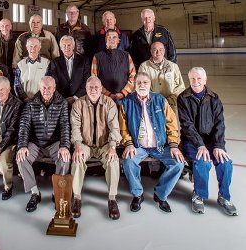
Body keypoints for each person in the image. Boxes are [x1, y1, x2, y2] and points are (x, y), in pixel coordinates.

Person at [119, 72, 184, 213]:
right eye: (139, 83)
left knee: (178, 163)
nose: (142, 85)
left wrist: (173, 145)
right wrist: (129, 143)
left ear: (150, 85)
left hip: (160, 145)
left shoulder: (160, 100)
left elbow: (172, 124)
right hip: (139, 146)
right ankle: (138, 194)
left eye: (145, 82)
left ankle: (160, 195)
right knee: (128, 162)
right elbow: (123, 128)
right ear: (134, 85)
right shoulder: (126, 102)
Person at [177, 67, 238, 216]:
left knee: (225, 162)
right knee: (202, 162)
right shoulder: (183, 98)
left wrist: (218, 145)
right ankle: (199, 195)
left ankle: (224, 196)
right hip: (192, 141)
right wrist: (200, 145)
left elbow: (220, 124)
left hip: (212, 141)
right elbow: (187, 126)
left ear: (205, 80)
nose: (195, 82)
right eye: (192, 79)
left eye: (199, 79)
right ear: (189, 80)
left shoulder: (214, 98)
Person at [16, 76, 71, 213]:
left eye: (49, 88)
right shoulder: (30, 103)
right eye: (43, 88)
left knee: (64, 158)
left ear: (54, 88)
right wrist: (22, 145)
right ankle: (35, 193)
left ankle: (57, 192)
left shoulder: (62, 103)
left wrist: (64, 145)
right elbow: (24, 125)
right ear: (39, 88)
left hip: (54, 143)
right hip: (36, 143)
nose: (46, 90)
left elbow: (65, 125)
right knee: (21, 158)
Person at [70, 76, 122, 220]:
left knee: (113, 160)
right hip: (85, 145)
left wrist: (112, 146)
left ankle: (112, 199)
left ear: (101, 89)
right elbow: (75, 128)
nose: (93, 90)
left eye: (96, 87)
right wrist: (78, 145)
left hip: (105, 144)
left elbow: (114, 127)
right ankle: (76, 197)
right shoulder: (78, 104)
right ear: (86, 89)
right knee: (77, 159)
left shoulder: (109, 103)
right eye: (90, 87)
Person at [138, 42, 185, 115]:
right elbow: (141, 86)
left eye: (161, 49)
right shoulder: (144, 66)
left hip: (171, 106)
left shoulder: (173, 66)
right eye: (155, 49)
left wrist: (170, 100)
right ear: (150, 51)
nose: (158, 52)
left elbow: (180, 87)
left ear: (164, 50)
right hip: (152, 106)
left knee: (171, 126)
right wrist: (155, 100)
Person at [91, 29, 135, 104]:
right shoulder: (97, 57)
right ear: (105, 40)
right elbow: (94, 79)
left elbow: (133, 75)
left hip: (124, 98)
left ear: (118, 40)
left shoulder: (127, 56)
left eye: (114, 37)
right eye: (109, 37)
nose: (112, 39)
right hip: (104, 99)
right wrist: (108, 94)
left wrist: (123, 93)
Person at [46, 35, 90, 105]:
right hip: (60, 101)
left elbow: (87, 81)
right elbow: (52, 82)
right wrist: (61, 98)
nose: (67, 47)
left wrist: (75, 97)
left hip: (80, 100)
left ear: (73, 46)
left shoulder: (84, 61)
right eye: (64, 45)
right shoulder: (54, 63)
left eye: (69, 45)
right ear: (61, 48)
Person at [14, 37, 50, 101]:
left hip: (41, 101)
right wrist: (25, 98)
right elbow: (17, 85)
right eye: (30, 46)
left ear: (40, 47)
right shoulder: (20, 64)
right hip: (23, 101)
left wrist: (36, 98)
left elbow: (48, 84)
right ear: (27, 47)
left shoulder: (47, 63)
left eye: (36, 46)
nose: (33, 49)